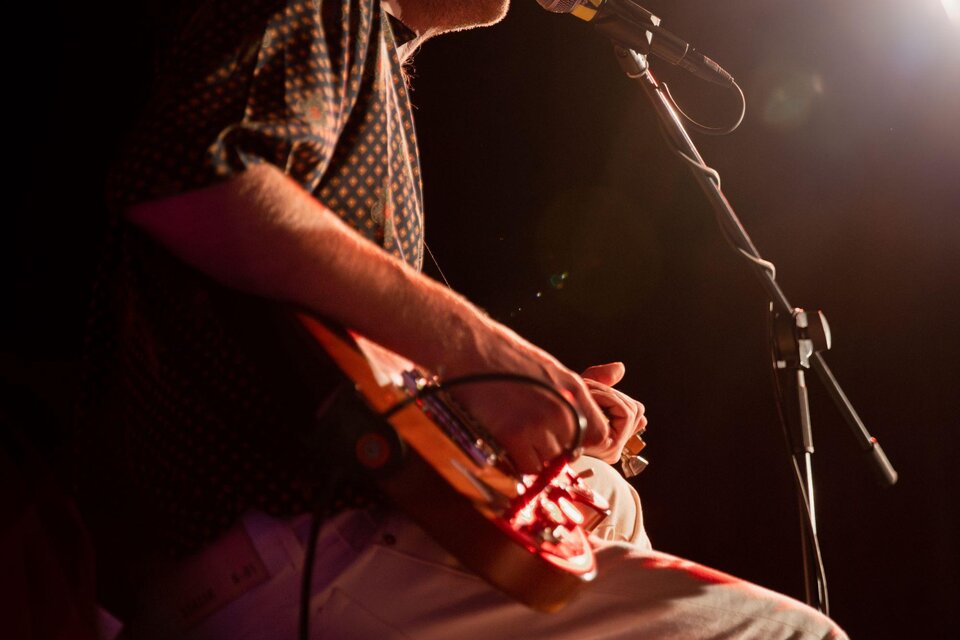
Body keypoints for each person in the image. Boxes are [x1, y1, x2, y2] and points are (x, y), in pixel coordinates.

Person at [77, 0, 848, 637]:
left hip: (317, 531)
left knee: (605, 497)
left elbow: (328, 352)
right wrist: (485, 353)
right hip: (286, 543)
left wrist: (512, 393)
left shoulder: (376, 53)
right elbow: (196, 181)